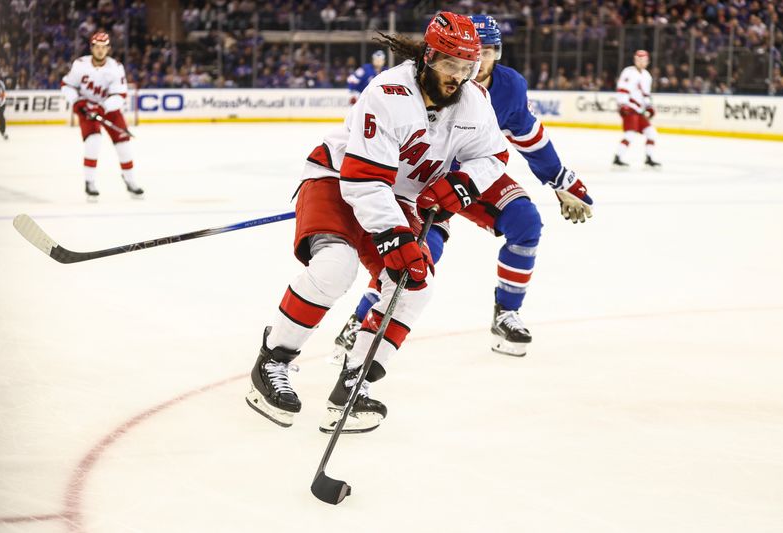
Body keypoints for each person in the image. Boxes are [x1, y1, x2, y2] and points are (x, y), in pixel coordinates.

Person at [246, 12, 509, 433]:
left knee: (415, 283)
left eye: (466, 67)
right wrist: (392, 237)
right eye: (449, 65)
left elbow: (493, 156)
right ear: (428, 58)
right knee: (336, 266)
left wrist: (461, 184)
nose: (457, 77)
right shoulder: (388, 93)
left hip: (395, 196)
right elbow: (364, 180)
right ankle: (273, 360)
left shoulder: (475, 100)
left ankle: (355, 381)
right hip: (338, 178)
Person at [332, 14, 594, 359]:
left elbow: (529, 136)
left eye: (489, 51)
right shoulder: (422, 81)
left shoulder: (508, 88)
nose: (481, 60)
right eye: (476, 51)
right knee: (415, 253)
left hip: (476, 176)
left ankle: (507, 314)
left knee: (526, 222)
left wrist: (560, 179)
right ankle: (361, 321)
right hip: (427, 181)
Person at [61, 31, 144, 200]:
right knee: (93, 142)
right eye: (97, 47)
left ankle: (130, 180)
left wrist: (103, 108)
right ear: (91, 47)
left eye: (103, 47)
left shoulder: (115, 68)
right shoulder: (80, 64)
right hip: (87, 108)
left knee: (124, 146)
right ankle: (90, 182)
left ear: (109, 48)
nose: (100, 51)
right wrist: (77, 103)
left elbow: (120, 95)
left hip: (109, 110)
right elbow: (67, 85)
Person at [613, 50, 661, 168]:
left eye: (643, 60)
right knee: (630, 134)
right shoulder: (628, 72)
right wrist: (623, 105)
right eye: (638, 60)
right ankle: (617, 158)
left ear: (647, 61)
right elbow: (622, 89)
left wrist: (649, 106)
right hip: (630, 108)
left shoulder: (647, 75)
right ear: (635, 60)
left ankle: (649, 158)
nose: (641, 63)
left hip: (639, 110)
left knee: (651, 133)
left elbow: (646, 94)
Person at [0, 74, 7, 140]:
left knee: (1, 118)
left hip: (1, 104)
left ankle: (3, 132)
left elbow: (3, 95)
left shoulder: (1, 84)